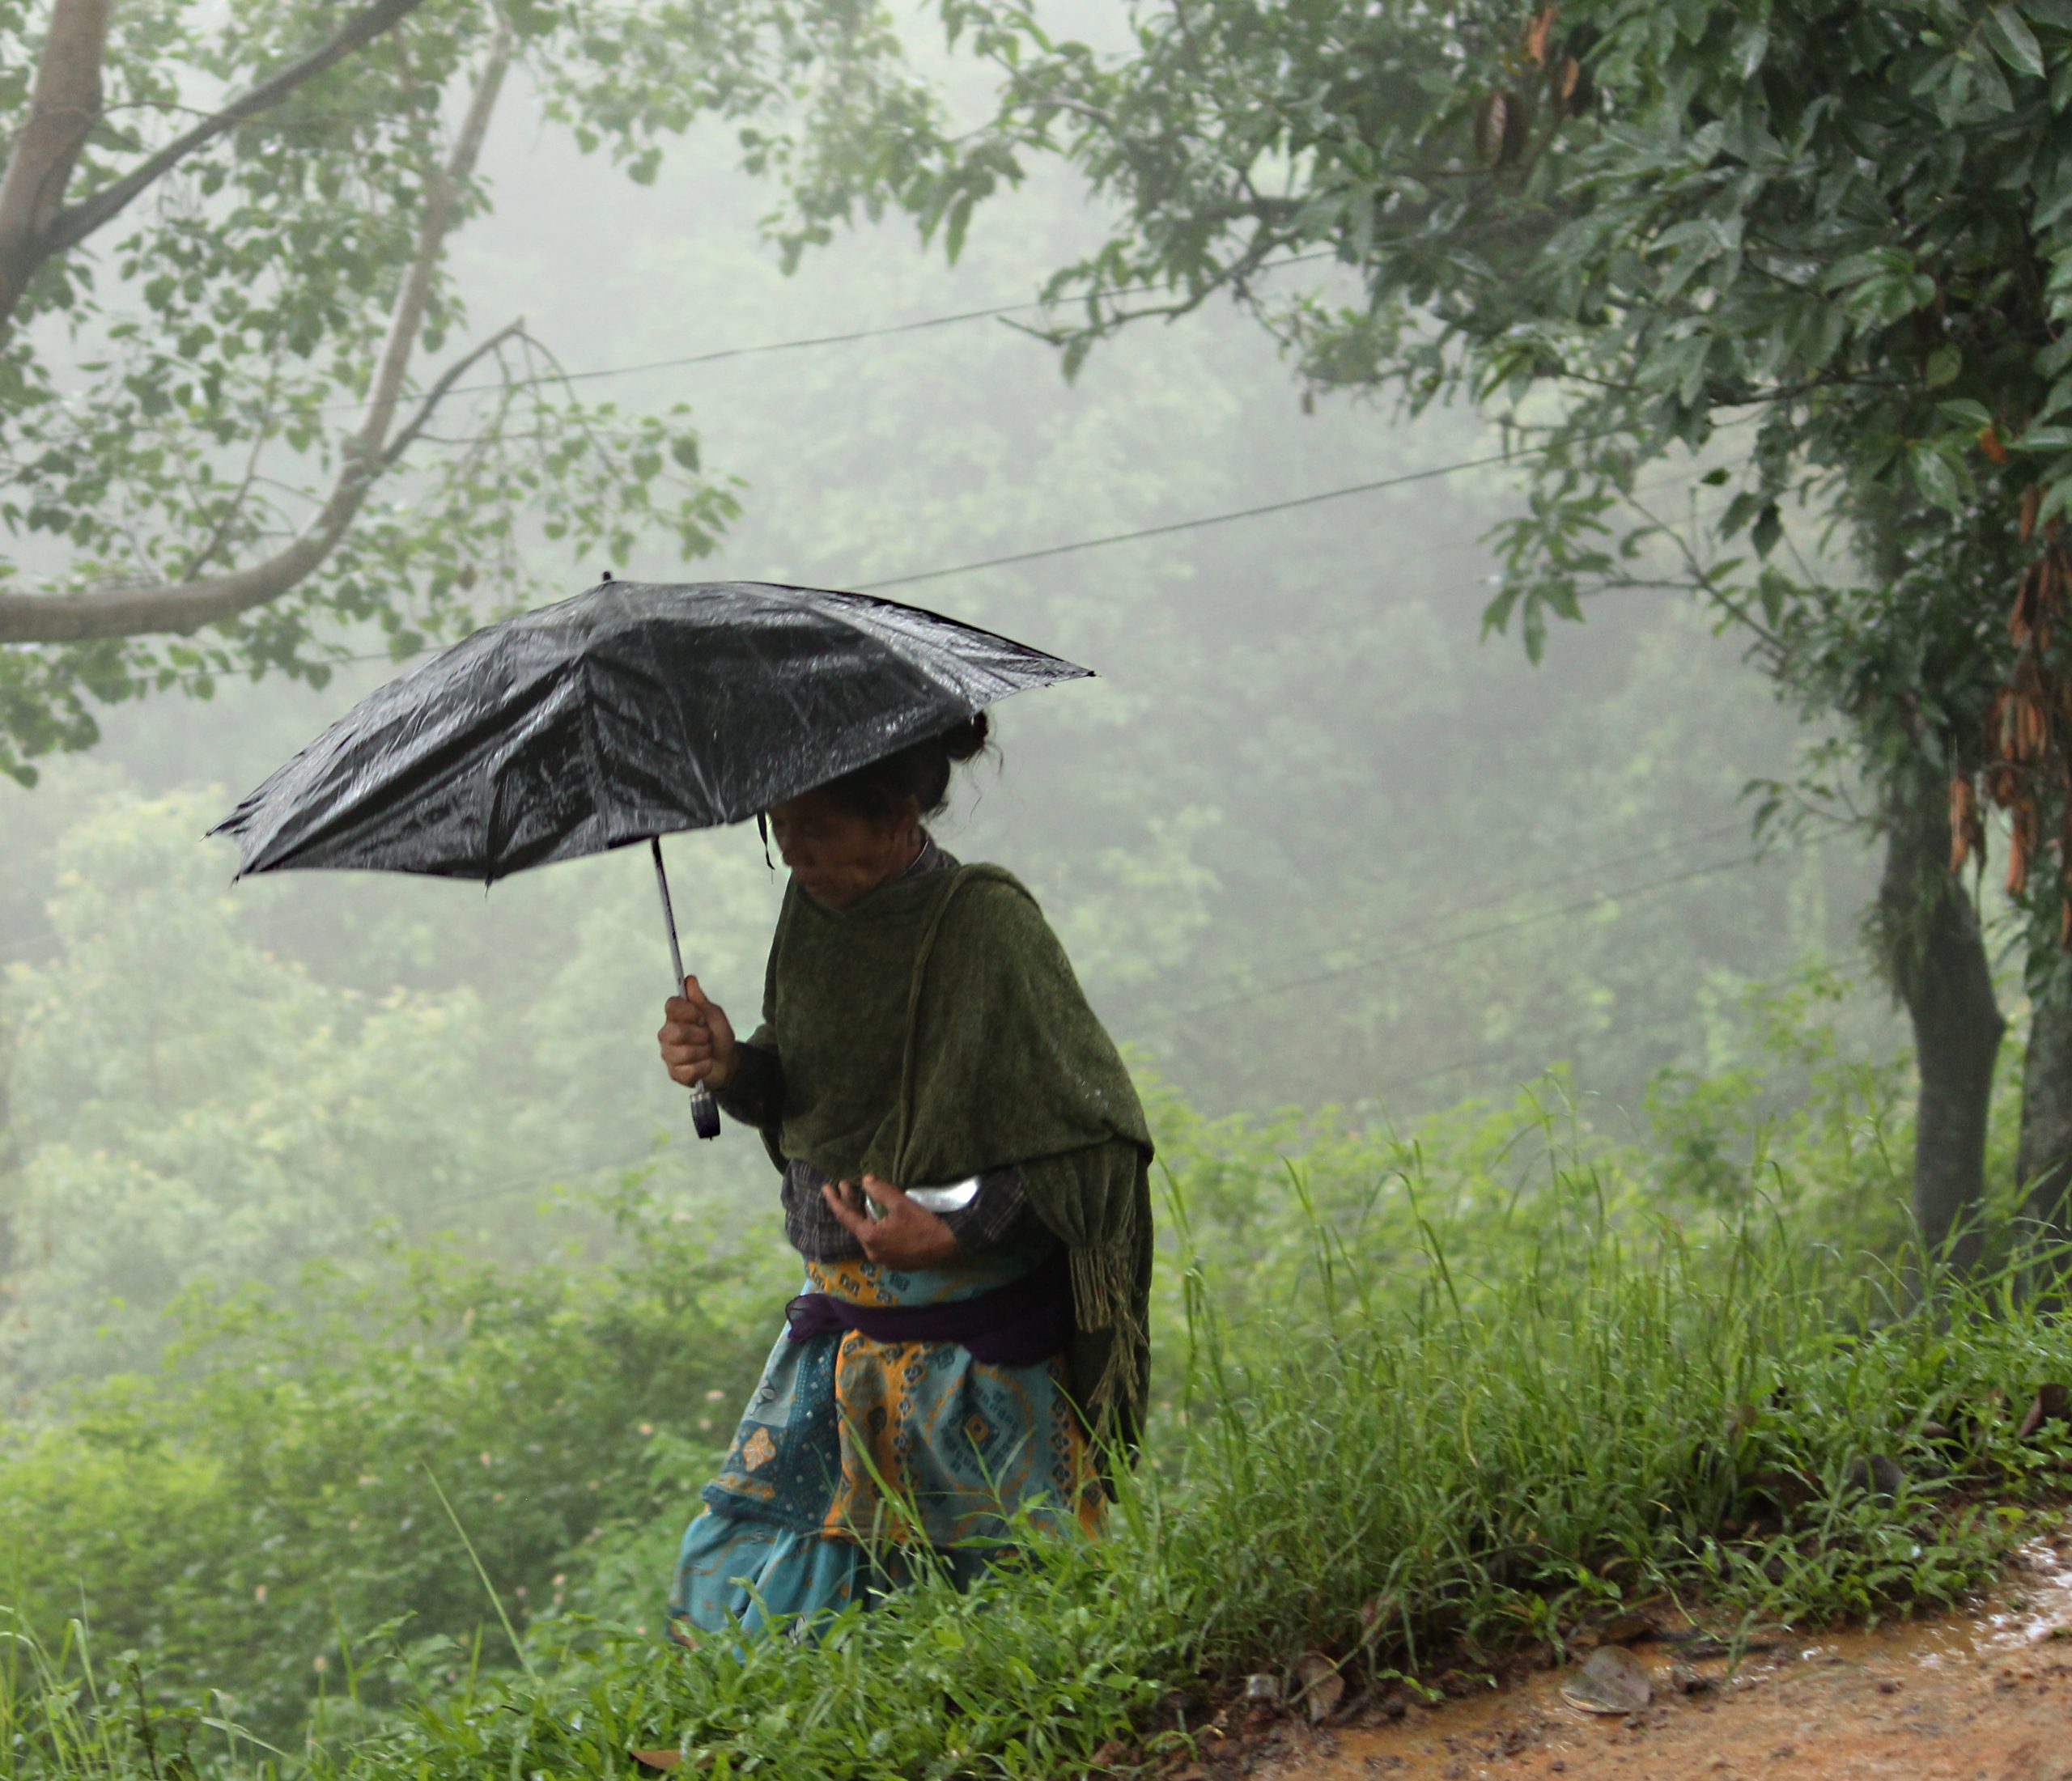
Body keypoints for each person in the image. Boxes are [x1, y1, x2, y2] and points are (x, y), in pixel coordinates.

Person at [654, 715, 1153, 1639]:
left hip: (975, 1351)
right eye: (778, 823)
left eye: (817, 826)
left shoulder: (986, 925)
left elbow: (1092, 1139)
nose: (790, 847)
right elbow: (809, 1093)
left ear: (896, 815)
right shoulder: (808, 915)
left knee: (1015, 1591)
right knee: (765, 1565)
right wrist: (730, 1066)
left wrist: (954, 1232)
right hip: (845, 1324)